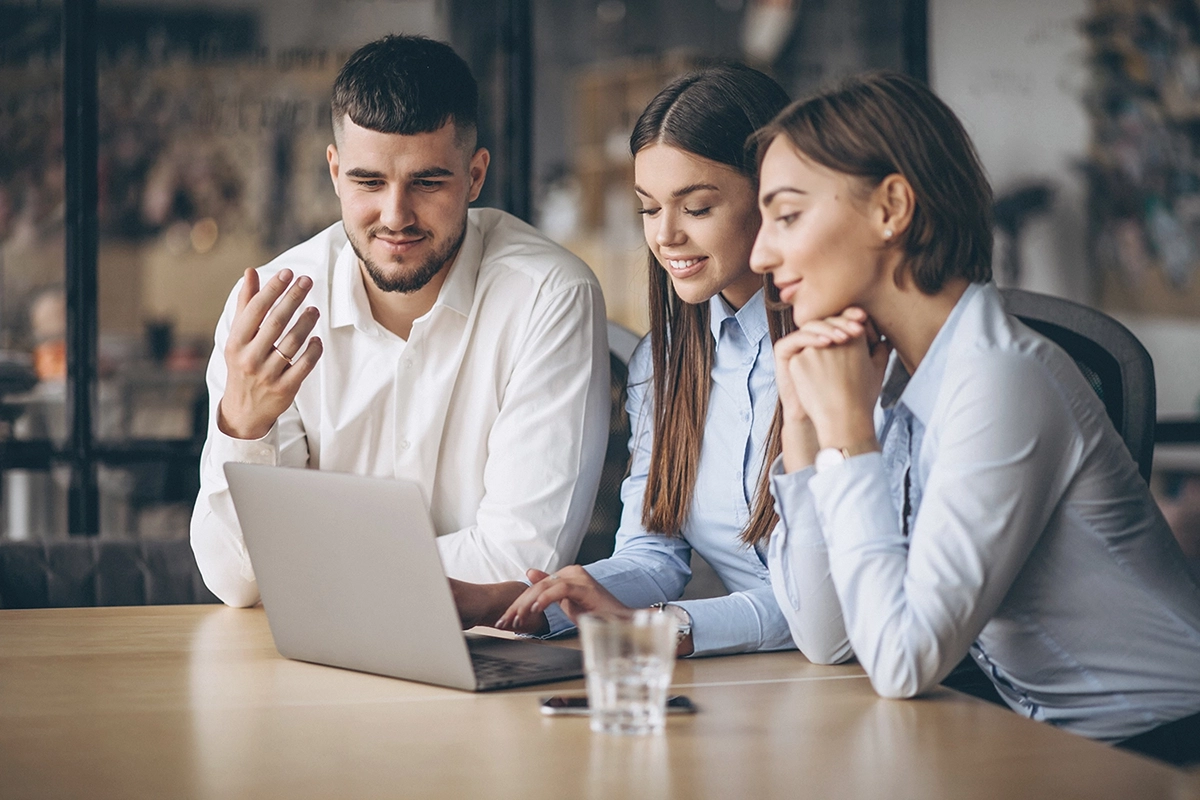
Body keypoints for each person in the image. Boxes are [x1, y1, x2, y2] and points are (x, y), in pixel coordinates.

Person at [752, 71, 1200, 764]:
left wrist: (849, 435)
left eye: (785, 216)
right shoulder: (898, 373)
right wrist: (807, 433)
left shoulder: (1001, 378)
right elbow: (828, 637)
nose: (760, 254)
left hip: (1160, 752)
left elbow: (902, 663)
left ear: (891, 207)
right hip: (1047, 746)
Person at [190, 35, 609, 607]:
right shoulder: (266, 312)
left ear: (476, 175)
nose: (395, 217)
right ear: (335, 172)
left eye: (428, 182)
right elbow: (236, 580)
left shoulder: (548, 296)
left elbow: (519, 563)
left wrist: (301, 568)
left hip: (486, 666)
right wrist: (244, 423)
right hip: (303, 665)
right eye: (368, 182)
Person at [460, 64, 842, 659]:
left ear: (774, 199)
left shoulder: (842, 357)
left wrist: (670, 628)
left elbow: (832, 607)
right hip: (771, 683)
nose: (665, 235)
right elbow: (653, 555)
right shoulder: (662, 365)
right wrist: (527, 606)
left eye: (695, 207)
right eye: (648, 208)